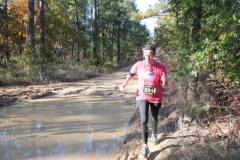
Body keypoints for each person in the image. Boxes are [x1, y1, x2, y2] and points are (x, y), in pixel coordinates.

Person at [120, 43, 168, 158]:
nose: (147, 58)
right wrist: (124, 84)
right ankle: (145, 146)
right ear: (143, 55)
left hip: (156, 96)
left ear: (154, 55)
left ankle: (154, 134)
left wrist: (165, 81)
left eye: (150, 55)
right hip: (142, 96)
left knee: (154, 117)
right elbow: (130, 74)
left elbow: (164, 80)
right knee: (144, 120)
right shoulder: (138, 65)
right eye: (145, 55)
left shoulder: (160, 67)